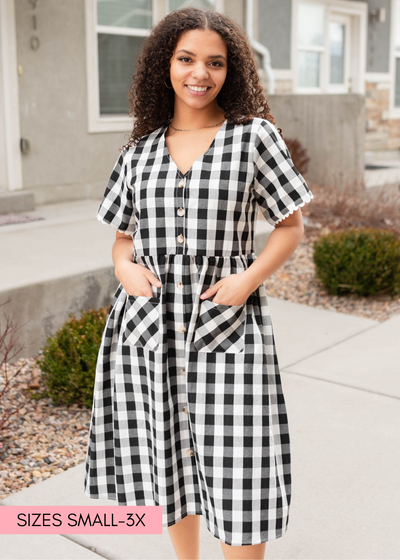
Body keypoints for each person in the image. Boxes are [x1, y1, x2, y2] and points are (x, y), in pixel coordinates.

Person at [84, 7, 314, 560]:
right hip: (148, 324)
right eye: (187, 59)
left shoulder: (253, 138)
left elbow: (290, 227)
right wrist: (123, 267)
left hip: (226, 320)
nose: (199, 73)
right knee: (169, 459)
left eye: (215, 62)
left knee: (241, 464)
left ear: (230, 71)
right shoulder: (136, 153)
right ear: (165, 64)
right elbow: (121, 238)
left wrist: (248, 280)